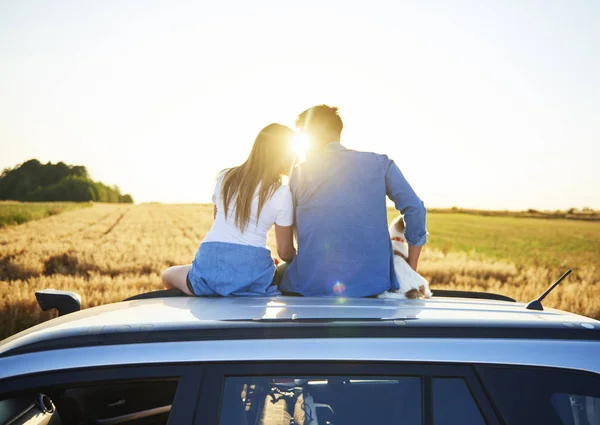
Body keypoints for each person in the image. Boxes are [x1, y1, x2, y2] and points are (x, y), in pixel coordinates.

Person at [278, 105, 427, 297]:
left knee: (278, 272)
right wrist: (411, 267)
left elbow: (286, 246)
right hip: (373, 286)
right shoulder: (380, 164)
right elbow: (416, 209)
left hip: (311, 285)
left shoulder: (298, 173)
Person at [162, 123, 297, 296]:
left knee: (167, 275)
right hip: (254, 273)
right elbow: (285, 251)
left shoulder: (225, 177)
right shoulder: (282, 192)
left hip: (210, 266)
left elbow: (219, 224)